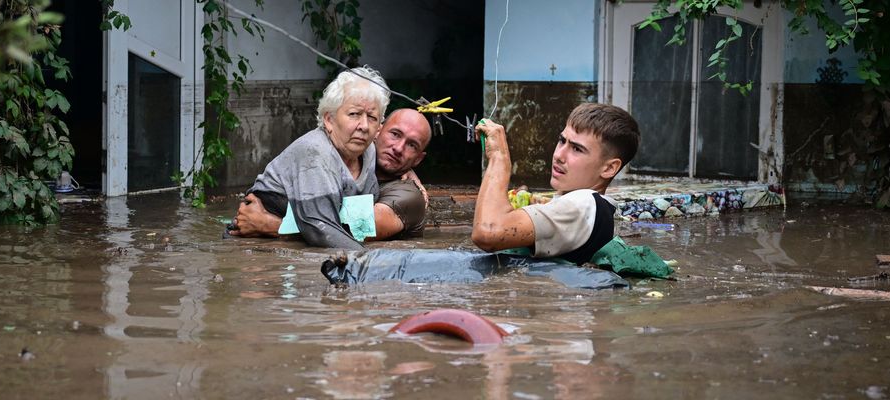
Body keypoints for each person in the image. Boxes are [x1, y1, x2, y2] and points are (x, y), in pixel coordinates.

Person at [229, 66, 390, 250]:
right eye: (354, 114)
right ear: (329, 120)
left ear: (379, 128)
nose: (364, 125)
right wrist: (374, 263)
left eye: (372, 117)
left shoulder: (369, 151)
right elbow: (321, 229)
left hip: (285, 236)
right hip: (257, 247)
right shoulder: (315, 150)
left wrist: (274, 226)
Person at [470, 103, 640, 264]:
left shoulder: (582, 203)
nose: (559, 155)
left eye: (577, 149)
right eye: (562, 140)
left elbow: (487, 232)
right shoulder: (599, 208)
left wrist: (499, 157)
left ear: (610, 168)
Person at [230, 108, 432, 241]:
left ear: (419, 159)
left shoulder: (409, 196)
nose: (398, 148)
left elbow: (357, 230)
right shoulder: (344, 159)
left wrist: (270, 226)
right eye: (395, 134)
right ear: (377, 131)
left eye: (411, 145)